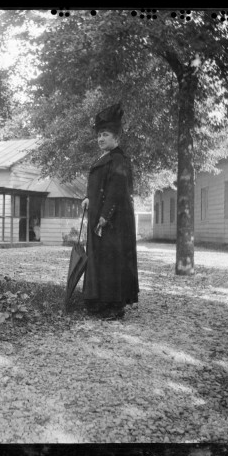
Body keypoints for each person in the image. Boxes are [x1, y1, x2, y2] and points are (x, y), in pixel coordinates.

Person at [81, 103, 139, 319]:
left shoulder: (118, 160)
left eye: (105, 135)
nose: (100, 139)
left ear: (116, 138)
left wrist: (105, 216)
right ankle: (98, 302)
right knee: (100, 261)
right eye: (99, 135)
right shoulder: (103, 159)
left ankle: (115, 307)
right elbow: (97, 186)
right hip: (100, 218)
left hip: (113, 222)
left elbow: (116, 191)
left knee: (112, 263)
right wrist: (87, 198)